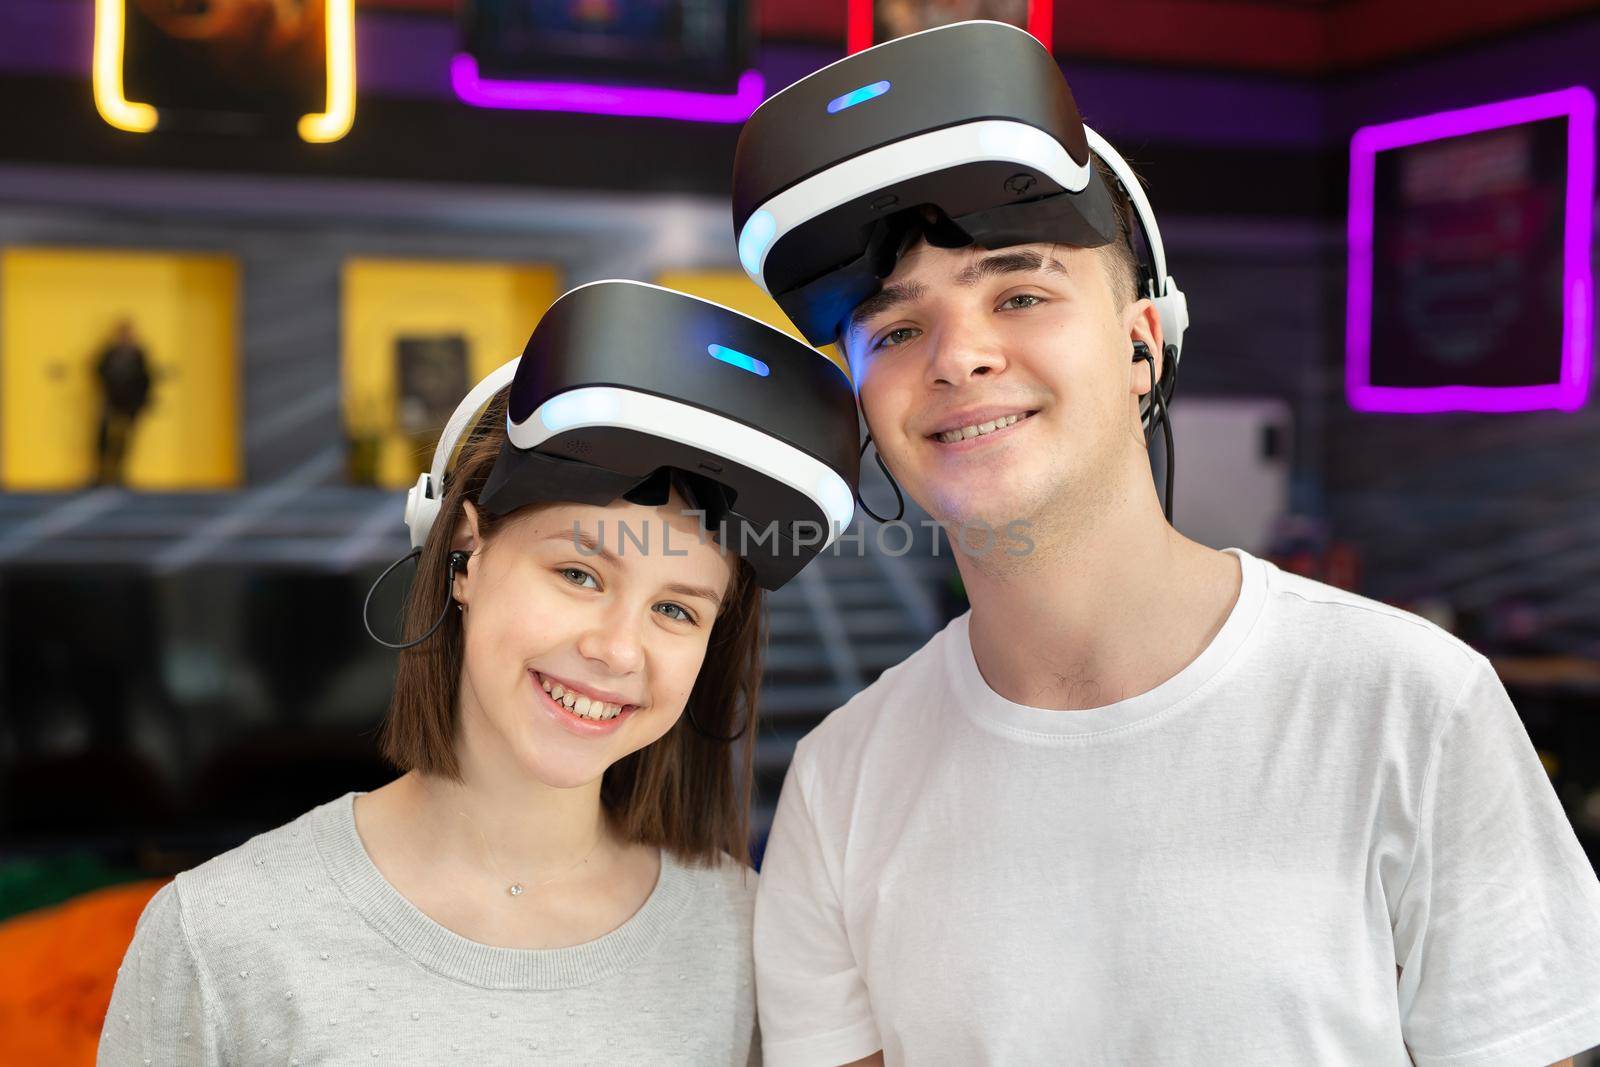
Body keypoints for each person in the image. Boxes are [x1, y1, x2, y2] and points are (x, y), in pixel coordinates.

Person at [735, 21, 1600, 1066]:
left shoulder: (1411, 705)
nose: (959, 356)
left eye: (1020, 293)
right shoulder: (842, 783)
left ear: (1144, 347)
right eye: (898, 328)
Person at [97, 281, 860, 1064]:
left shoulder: (749, 933)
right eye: (579, 574)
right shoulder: (218, 932)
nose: (618, 650)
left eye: (676, 610)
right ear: (463, 554)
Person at [93, 319, 153, 487]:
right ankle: (102, 473)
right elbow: (98, 372)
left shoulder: (138, 355)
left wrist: (143, 401)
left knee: (125, 439)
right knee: (104, 438)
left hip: (130, 403)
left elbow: (145, 379)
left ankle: (120, 474)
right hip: (111, 401)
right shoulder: (110, 353)